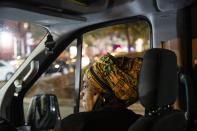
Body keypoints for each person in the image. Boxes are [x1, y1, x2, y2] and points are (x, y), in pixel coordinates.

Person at [60, 53, 143, 131]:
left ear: (98, 92)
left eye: (85, 86)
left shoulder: (76, 124)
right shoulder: (140, 123)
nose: (82, 92)